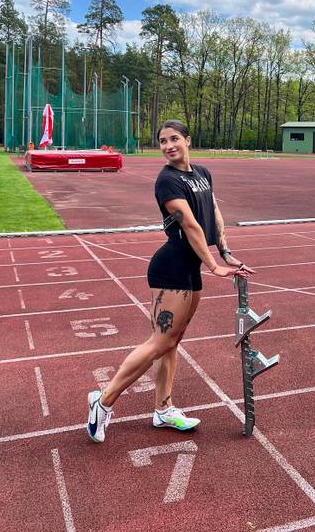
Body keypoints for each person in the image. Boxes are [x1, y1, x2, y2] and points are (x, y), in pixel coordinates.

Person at [86, 119, 254, 442]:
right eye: (163, 141)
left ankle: (163, 409)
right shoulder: (167, 181)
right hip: (171, 268)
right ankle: (102, 403)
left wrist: (226, 251)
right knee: (160, 342)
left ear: (188, 140)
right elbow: (190, 225)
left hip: (190, 270)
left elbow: (213, 212)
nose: (168, 146)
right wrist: (214, 266)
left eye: (174, 138)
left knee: (171, 342)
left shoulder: (203, 174)